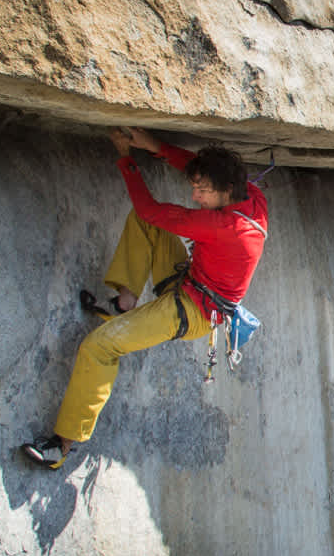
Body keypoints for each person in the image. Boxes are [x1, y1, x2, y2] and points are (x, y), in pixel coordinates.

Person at [22, 127, 268, 469]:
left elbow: (152, 208)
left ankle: (61, 447)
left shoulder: (222, 226)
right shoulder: (253, 199)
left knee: (99, 346)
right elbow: (193, 168)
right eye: (195, 187)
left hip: (193, 311)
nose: (196, 196)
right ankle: (124, 302)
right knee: (144, 223)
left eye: (203, 191)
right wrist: (154, 145)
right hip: (194, 283)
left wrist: (125, 158)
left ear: (226, 191)